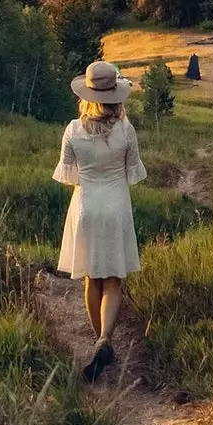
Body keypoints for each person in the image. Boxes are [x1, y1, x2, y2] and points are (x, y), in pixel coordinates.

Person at [53, 59, 148, 381]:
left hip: (87, 206)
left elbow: (68, 173)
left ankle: (100, 343)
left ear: (88, 96)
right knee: (113, 281)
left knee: (92, 279)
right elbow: (133, 171)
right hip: (116, 206)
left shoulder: (73, 129)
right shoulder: (125, 130)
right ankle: (106, 338)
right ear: (117, 96)